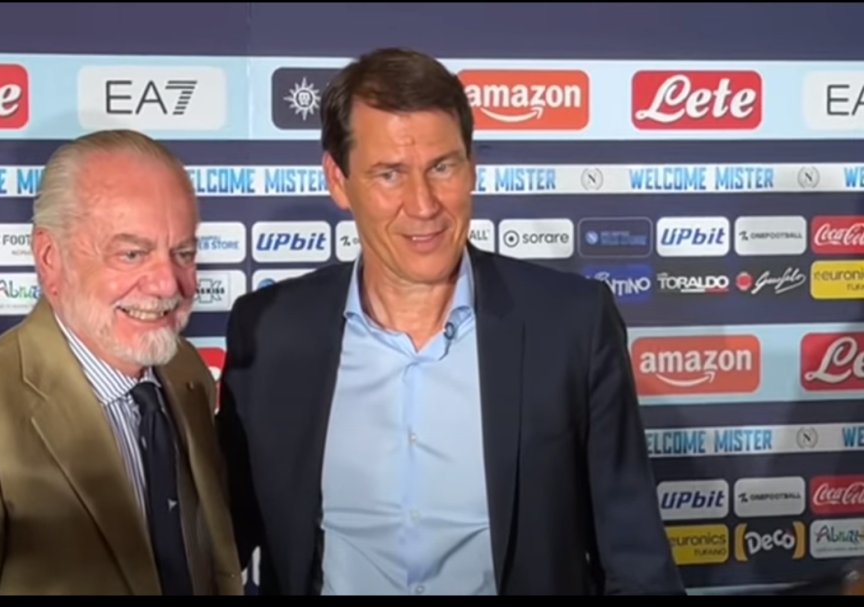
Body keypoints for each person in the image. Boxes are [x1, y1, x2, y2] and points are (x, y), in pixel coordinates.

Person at [215, 48, 685, 595]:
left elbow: (637, 561)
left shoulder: (572, 324)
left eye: (442, 167)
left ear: (471, 167)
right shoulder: (269, 331)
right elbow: (217, 542)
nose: (423, 205)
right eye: (390, 174)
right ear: (338, 181)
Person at [0, 129, 243, 595]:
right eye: (132, 254)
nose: (167, 284)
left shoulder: (185, 371)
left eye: (183, 253)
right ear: (50, 258)